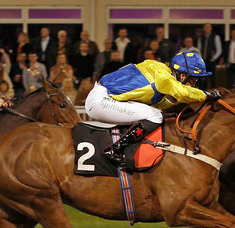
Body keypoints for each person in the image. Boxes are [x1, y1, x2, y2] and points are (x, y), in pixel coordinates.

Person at [85, 51, 221, 166]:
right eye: (194, 80)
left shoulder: (160, 72)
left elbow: (158, 102)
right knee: (155, 116)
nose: (194, 85)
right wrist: (206, 95)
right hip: (101, 101)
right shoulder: (165, 78)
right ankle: (115, 149)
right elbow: (183, 93)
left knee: (155, 113)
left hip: (105, 98)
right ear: (183, 75)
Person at [198, 23, 223, 88]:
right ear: (204, 29)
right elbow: (199, 49)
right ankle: (204, 93)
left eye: (209, 27)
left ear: (211, 28)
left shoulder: (215, 37)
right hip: (203, 61)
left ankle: (213, 92)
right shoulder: (201, 38)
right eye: (206, 27)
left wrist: (214, 58)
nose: (207, 29)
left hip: (211, 60)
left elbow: (219, 49)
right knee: (203, 78)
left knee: (212, 78)